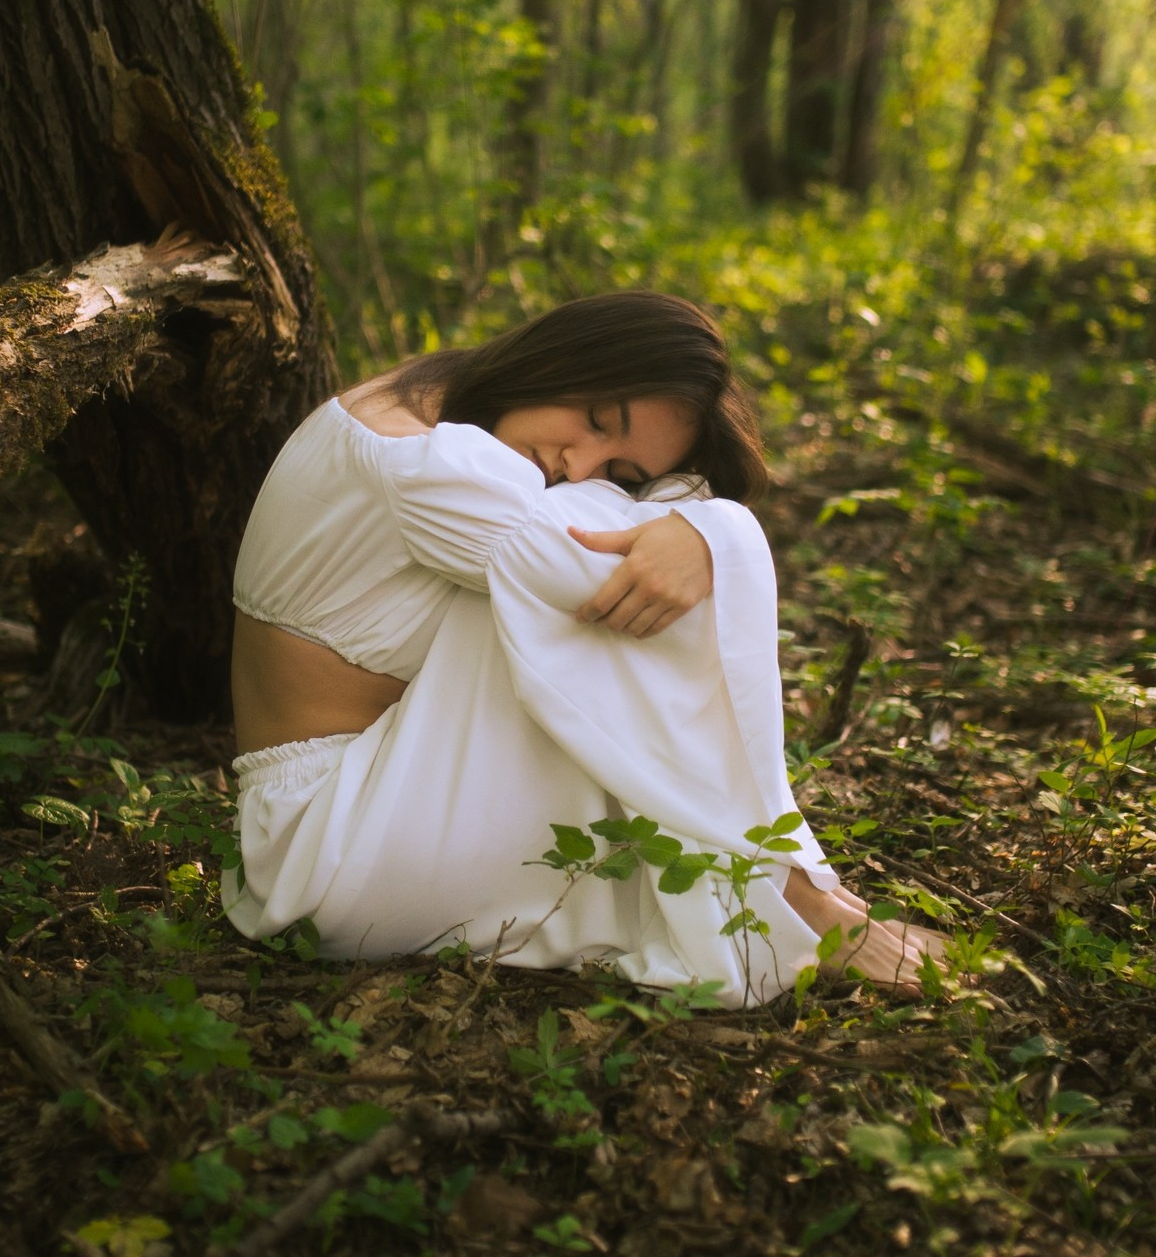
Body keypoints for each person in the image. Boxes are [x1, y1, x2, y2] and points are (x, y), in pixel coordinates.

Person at [223, 291, 941, 1007]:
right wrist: (718, 531)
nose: (578, 461)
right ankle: (784, 893)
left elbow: (649, 513)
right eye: (597, 420)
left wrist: (690, 526)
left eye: (621, 467)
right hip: (333, 844)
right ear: (567, 353)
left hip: (338, 825)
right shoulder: (422, 462)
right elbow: (616, 568)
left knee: (580, 560)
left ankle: (768, 883)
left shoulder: (422, 399)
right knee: (594, 584)